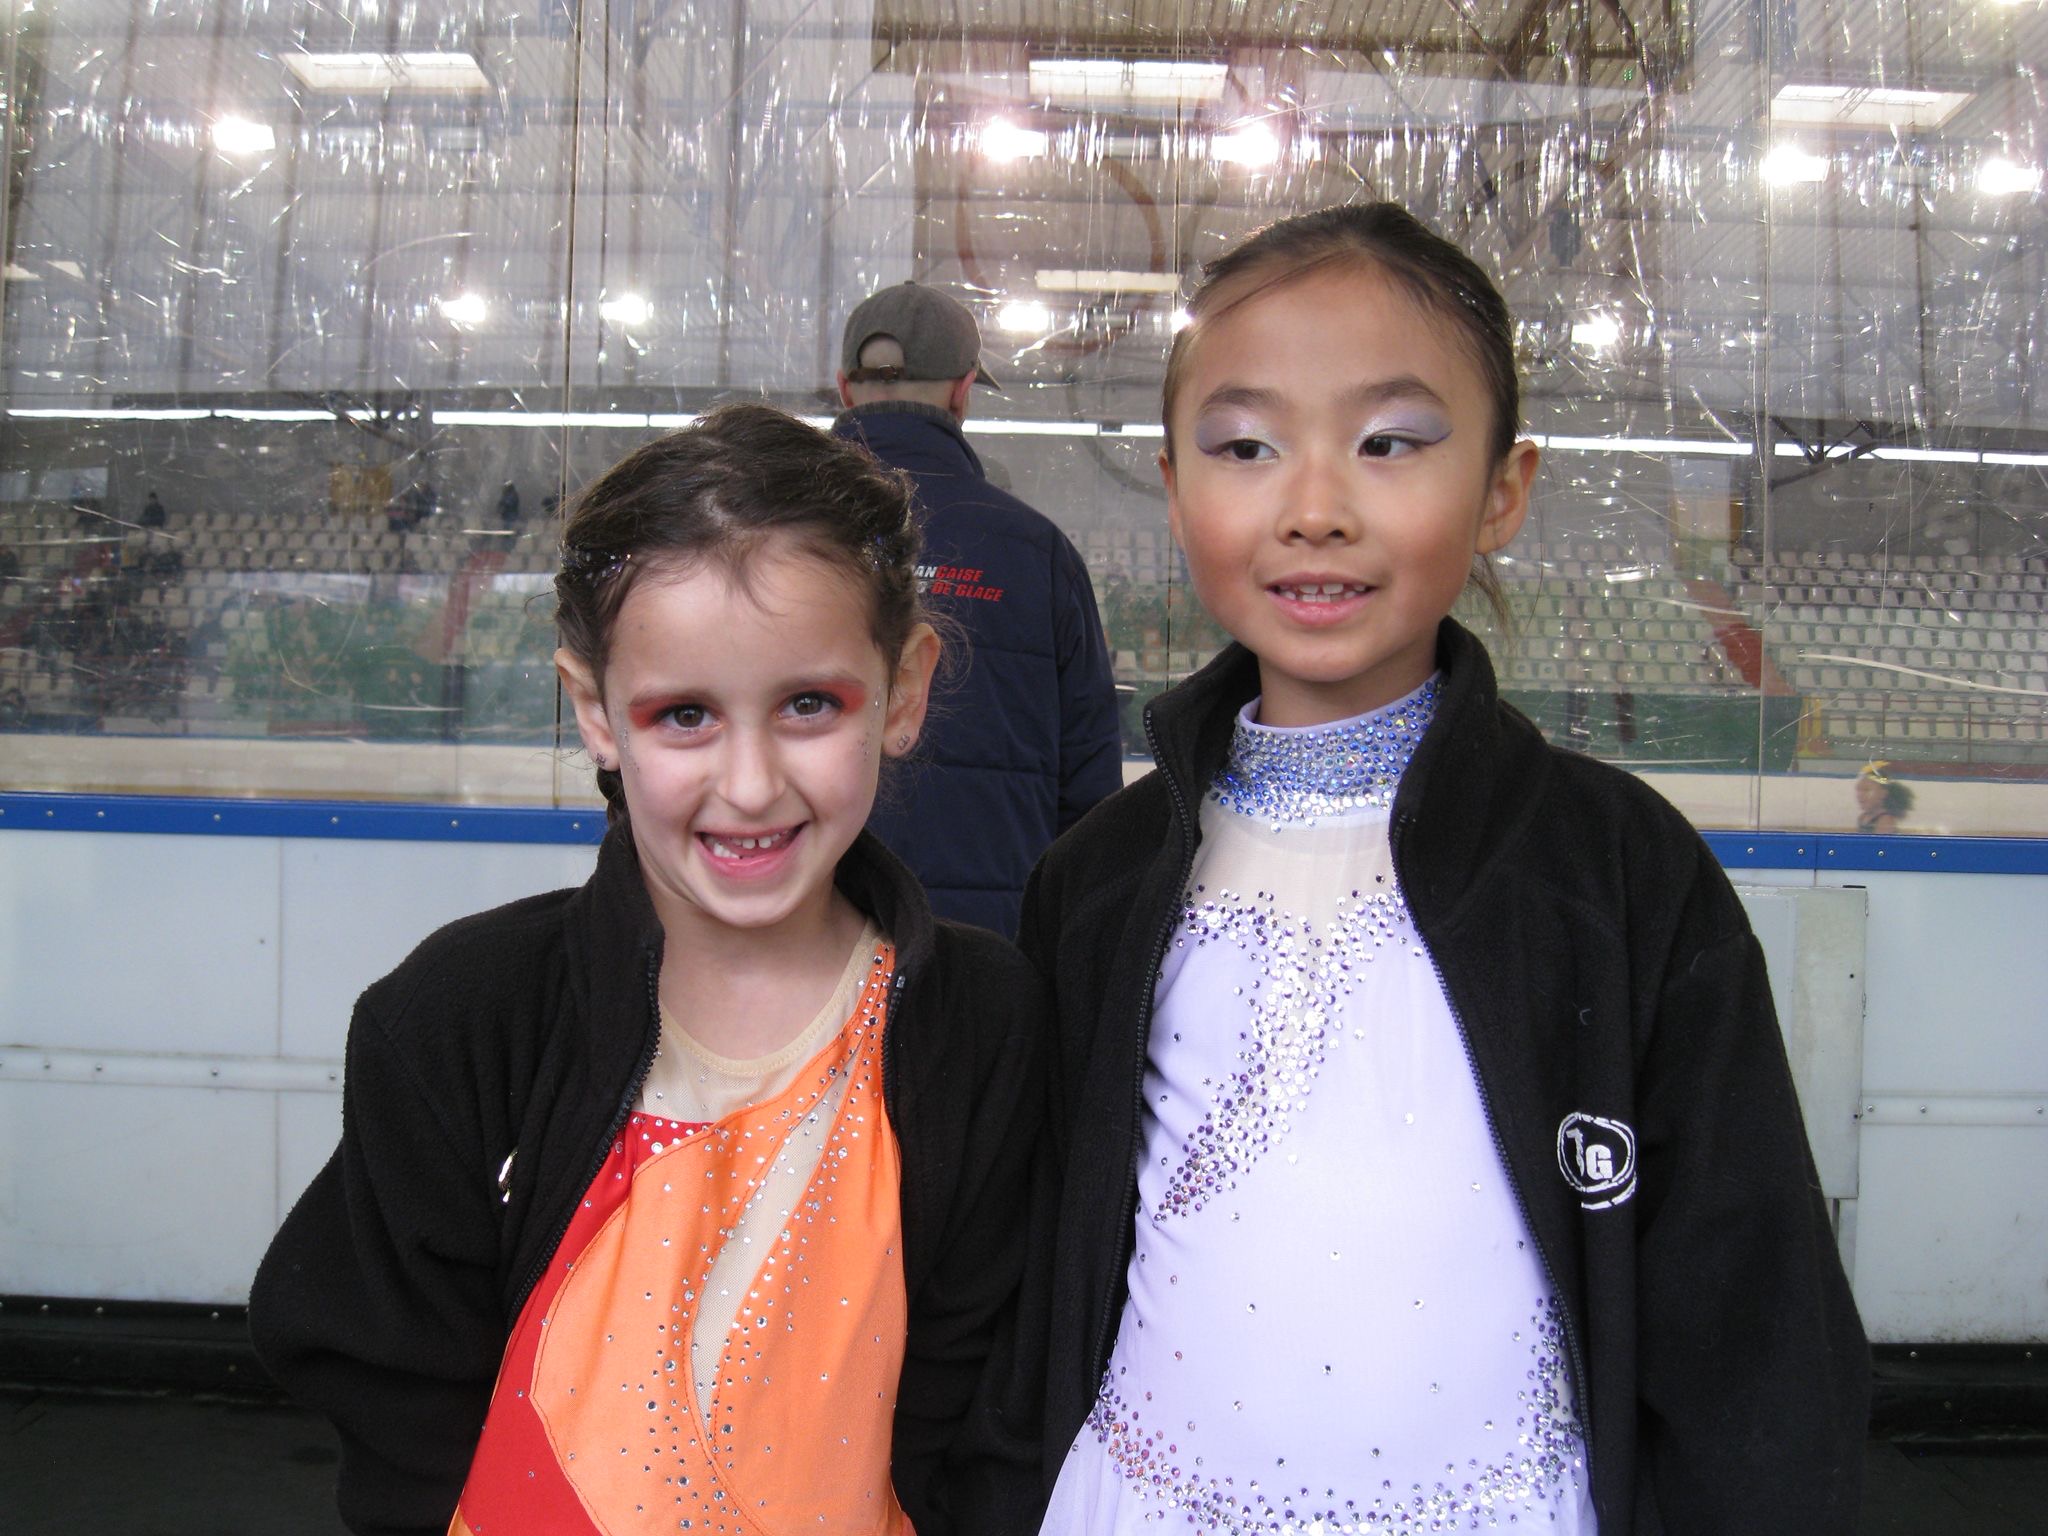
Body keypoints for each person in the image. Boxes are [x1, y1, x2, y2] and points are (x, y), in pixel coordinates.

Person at [1014, 204, 1868, 1534]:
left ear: (1503, 492)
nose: (1313, 510)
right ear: (1174, 487)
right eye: (1244, 447)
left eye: (1390, 443)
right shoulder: (1096, 883)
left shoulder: (1619, 873)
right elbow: (1038, 1281)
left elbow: (1750, 1319)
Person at [249, 403, 1047, 1536]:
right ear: (594, 712)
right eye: (684, 716)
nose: (751, 784)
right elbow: (389, 1380)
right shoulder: (460, 1018)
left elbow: (972, 1412)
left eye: (808, 704)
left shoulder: (983, 1030)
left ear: (905, 690)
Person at [833, 280, 1121, 934]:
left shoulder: (767, 536)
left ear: (845, 389)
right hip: (992, 940)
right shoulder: (1037, 552)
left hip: (806, 932)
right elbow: (1091, 792)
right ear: (962, 392)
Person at [1855, 761, 1913, 833]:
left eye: (1866, 790)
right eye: (1858, 790)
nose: (1860, 795)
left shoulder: (1885, 820)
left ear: (1883, 793)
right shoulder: (1863, 817)